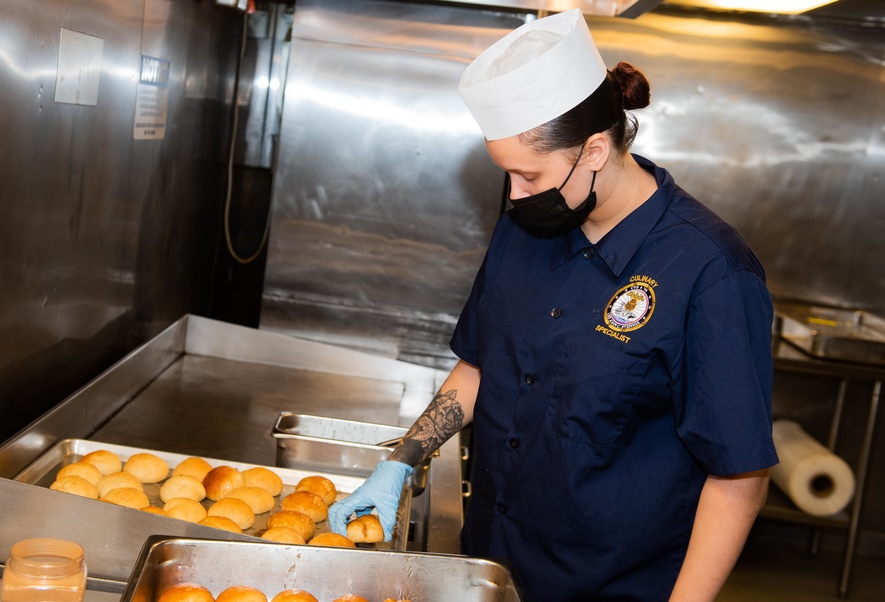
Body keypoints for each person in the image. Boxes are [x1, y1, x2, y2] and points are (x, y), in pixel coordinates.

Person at [328, 9, 778, 601]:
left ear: (594, 150)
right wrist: (403, 459)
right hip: (491, 562)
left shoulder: (709, 270)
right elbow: (483, 365)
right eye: (507, 175)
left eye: (529, 175)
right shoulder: (529, 227)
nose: (515, 196)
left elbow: (738, 477)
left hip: (609, 584)